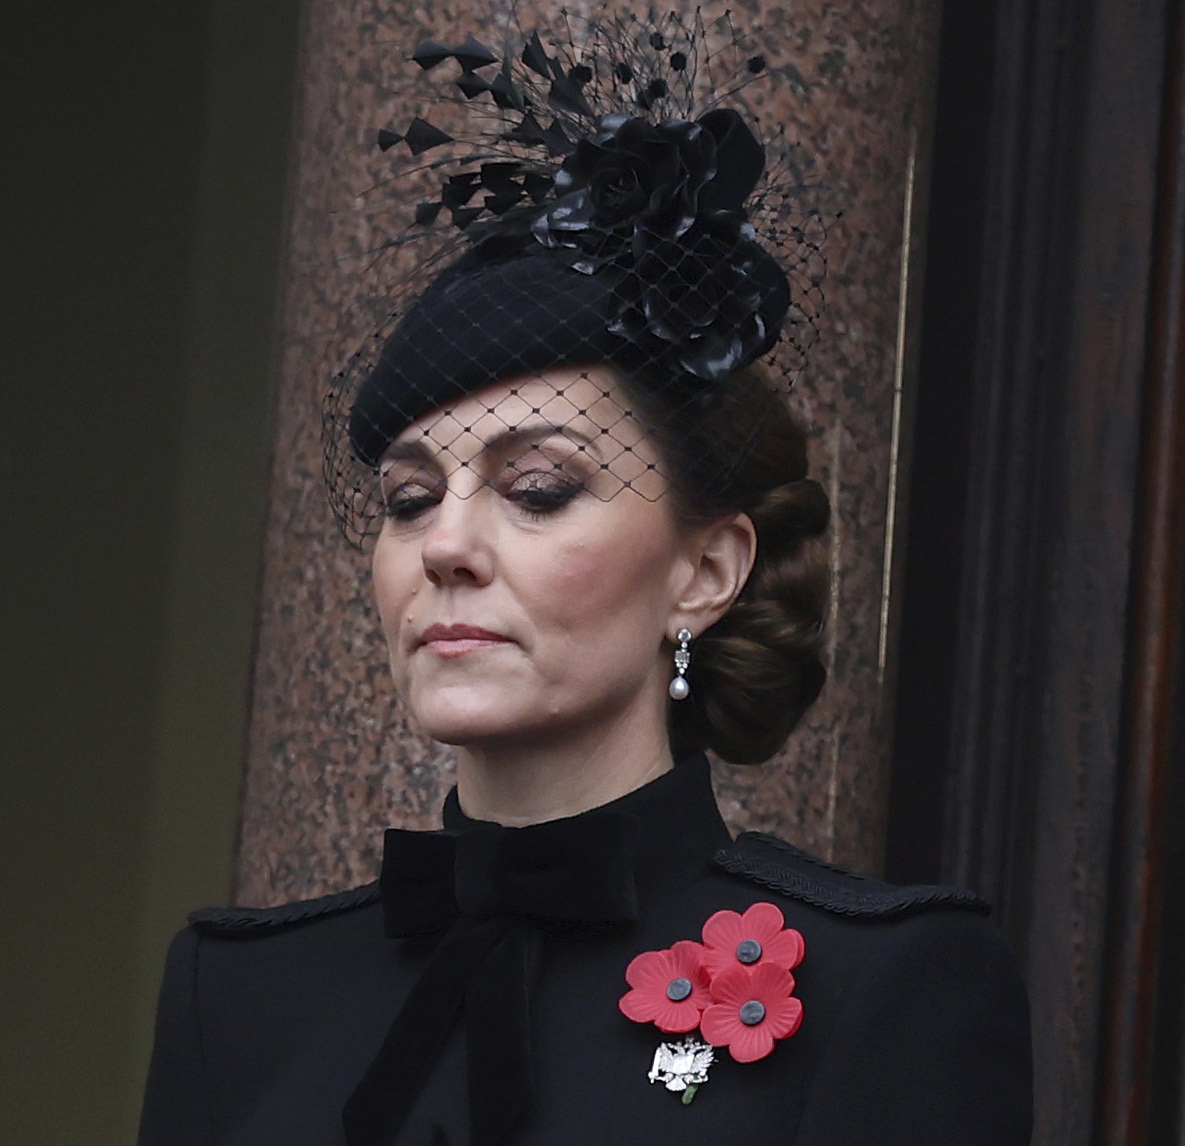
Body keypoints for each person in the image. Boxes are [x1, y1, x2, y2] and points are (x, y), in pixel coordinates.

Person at [138, 15, 1031, 1146]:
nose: (446, 545)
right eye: (411, 498)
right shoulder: (242, 996)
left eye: (539, 488)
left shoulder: (882, 986)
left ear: (704, 571)